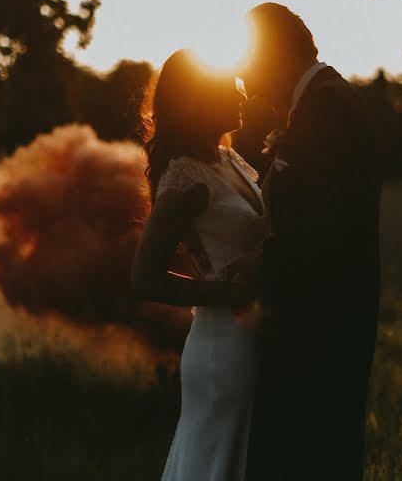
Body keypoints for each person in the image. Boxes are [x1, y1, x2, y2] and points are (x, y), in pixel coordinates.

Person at [238, 3, 383, 481]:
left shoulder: (327, 108)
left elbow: (330, 225)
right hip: (318, 320)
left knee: (312, 456)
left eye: (252, 67)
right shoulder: (320, 101)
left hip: (321, 324)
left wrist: (263, 263)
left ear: (275, 55)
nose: (251, 86)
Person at [131, 49, 264, 481]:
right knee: (217, 461)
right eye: (230, 86)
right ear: (199, 99)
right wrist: (226, 294)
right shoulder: (186, 179)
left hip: (252, 336)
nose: (241, 94)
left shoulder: (228, 161)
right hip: (222, 345)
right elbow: (144, 278)